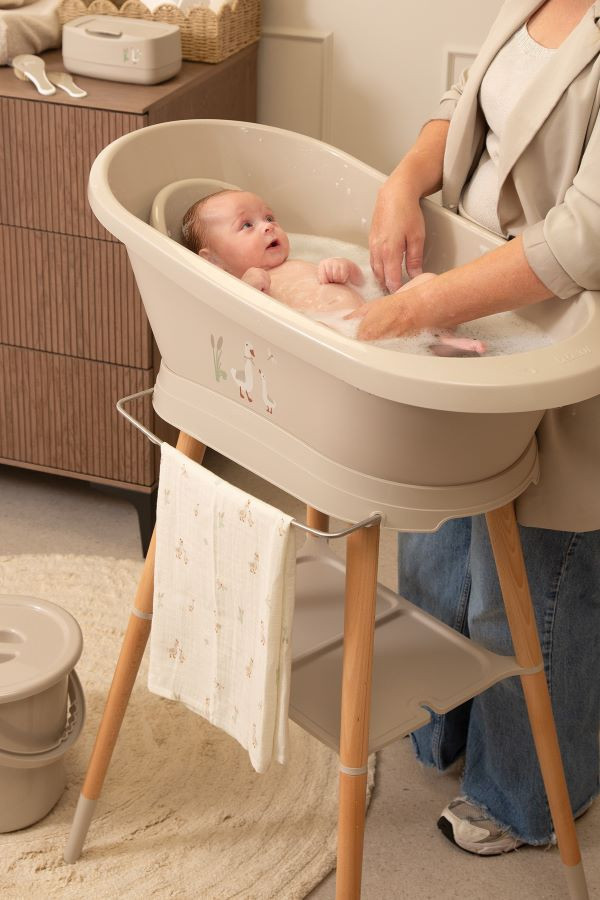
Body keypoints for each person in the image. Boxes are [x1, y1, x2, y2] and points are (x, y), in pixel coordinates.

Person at [363, 0, 600, 856]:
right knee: (440, 541)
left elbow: (586, 237)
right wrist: (402, 181)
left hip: (561, 324)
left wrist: (424, 305)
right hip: (475, 295)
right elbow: (465, 100)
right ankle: (444, 727)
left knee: (533, 576)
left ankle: (524, 793)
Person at [181, 188, 368, 315]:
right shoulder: (243, 289)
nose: (268, 226)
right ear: (213, 260)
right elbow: (246, 323)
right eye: (247, 225)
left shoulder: (298, 263)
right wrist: (247, 291)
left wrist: (344, 268)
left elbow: (362, 283)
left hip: (363, 315)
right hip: (332, 336)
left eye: (269, 218)